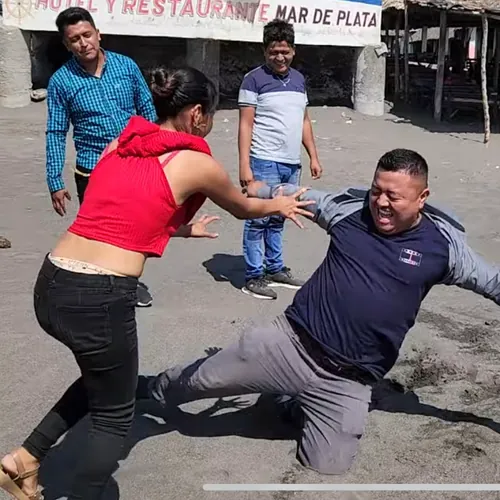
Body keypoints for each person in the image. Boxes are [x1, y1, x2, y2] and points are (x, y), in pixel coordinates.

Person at [0, 66, 314, 500]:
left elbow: (119, 209)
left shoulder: (121, 143)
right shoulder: (196, 163)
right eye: (211, 117)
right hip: (99, 296)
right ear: (197, 114)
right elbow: (243, 207)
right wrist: (280, 204)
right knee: (115, 413)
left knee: (101, 380)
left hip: (52, 283)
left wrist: (179, 230)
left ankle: (24, 460)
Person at [144, 148, 500, 475]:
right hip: (288, 345)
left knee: (329, 464)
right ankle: (141, 388)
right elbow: (297, 194)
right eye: (376, 190)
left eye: (393, 196)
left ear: (422, 197)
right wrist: (258, 189)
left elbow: (492, 281)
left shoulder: (443, 248)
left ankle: (290, 402)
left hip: (348, 380)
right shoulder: (350, 212)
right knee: (194, 382)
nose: (381, 202)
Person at [46, 6, 157, 307]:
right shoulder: (61, 82)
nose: (83, 43)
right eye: (75, 39)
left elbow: (147, 110)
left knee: (135, 228)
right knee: (98, 234)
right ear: (66, 44)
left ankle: (128, 282)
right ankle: (103, 287)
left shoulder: (126, 66)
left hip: (132, 162)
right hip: (92, 169)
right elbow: (56, 131)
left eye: (87, 35)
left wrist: (156, 152)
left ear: (98, 34)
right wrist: (55, 179)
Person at [238, 18, 322, 300]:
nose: (279, 57)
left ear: (293, 51)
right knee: (258, 218)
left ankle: (275, 268)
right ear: (265, 51)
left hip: (291, 162)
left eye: (285, 51)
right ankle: (254, 275)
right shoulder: (253, 80)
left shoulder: (298, 80)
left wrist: (313, 156)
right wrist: (245, 166)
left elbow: (304, 121)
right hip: (264, 160)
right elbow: (246, 124)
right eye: (273, 51)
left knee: (281, 216)